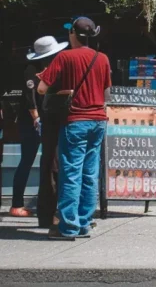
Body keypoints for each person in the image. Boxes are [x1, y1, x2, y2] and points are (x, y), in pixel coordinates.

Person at [36, 17, 110, 240]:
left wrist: (63, 93)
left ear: (72, 35)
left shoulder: (64, 57)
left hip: (75, 120)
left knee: (71, 174)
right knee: (89, 174)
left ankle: (68, 227)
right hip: (98, 120)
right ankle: (85, 223)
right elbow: (107, 94)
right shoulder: (102, 58)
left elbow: (41, 89)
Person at [10, 36, 68, 220]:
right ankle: (17, 203)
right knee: (27, 160)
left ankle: (53, 203)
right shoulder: (31, 70)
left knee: (51, 161)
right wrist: (36, 119)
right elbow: (30, 98)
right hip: (31, 123)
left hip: (47, 120)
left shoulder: (51, 69)